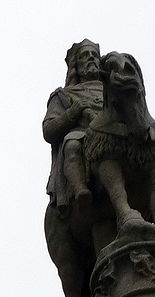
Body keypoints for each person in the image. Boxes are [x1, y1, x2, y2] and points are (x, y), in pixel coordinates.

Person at [43, 39, 103, 211]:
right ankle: (80, 189)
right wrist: (72, 113)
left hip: (115, 133)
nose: (91, 58)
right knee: (72, 143)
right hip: (83, 135)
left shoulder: (112, 89)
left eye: (94, 55)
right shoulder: (63, 95)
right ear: (76, 64)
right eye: (85, 55)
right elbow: (49, 131)